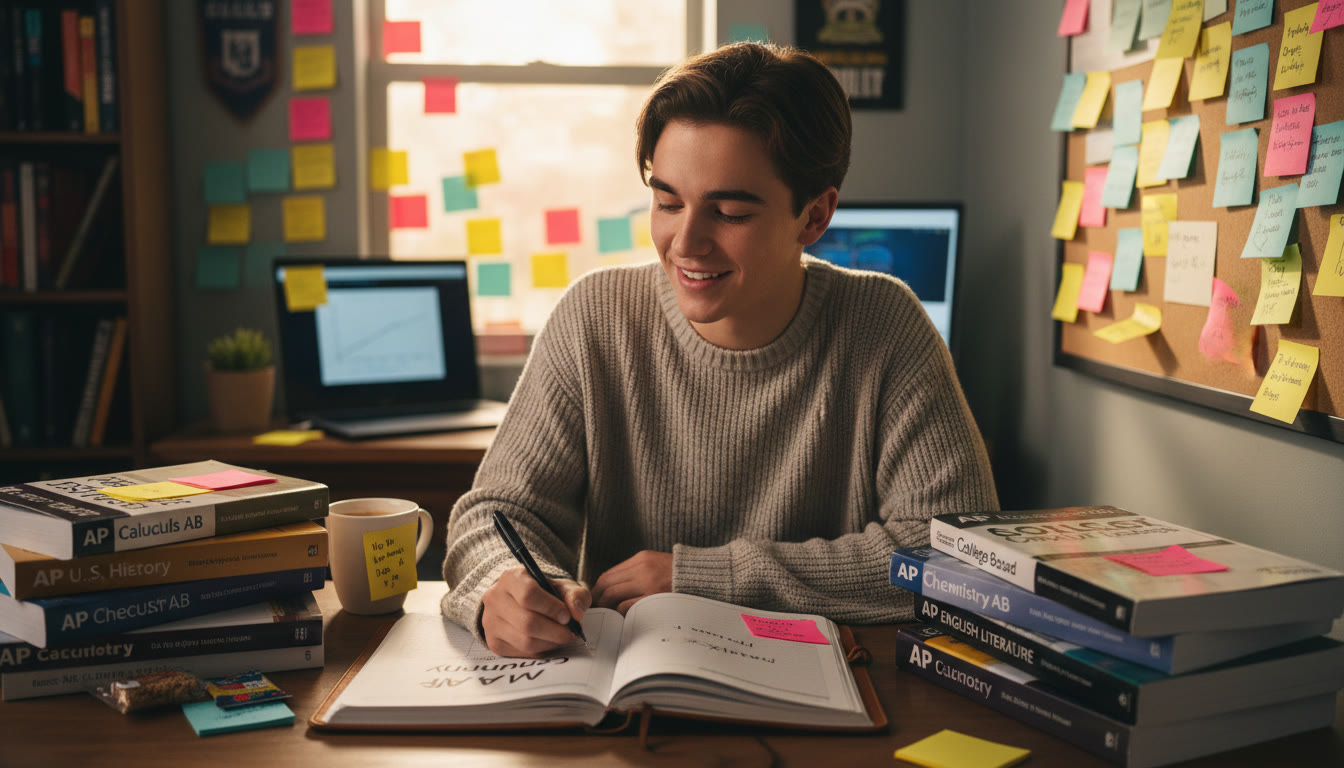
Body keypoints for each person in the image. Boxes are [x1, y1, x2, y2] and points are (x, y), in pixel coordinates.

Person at [441, 41, 998, 658]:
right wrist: (501, 586)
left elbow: (953, 555)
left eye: (728, 211)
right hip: (624, 702)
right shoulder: (593, 317)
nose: (686, 242)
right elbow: (494, 516)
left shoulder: (885, 324)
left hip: (822, 690)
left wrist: (703, 579)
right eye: (667, 201)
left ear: (814, 217)